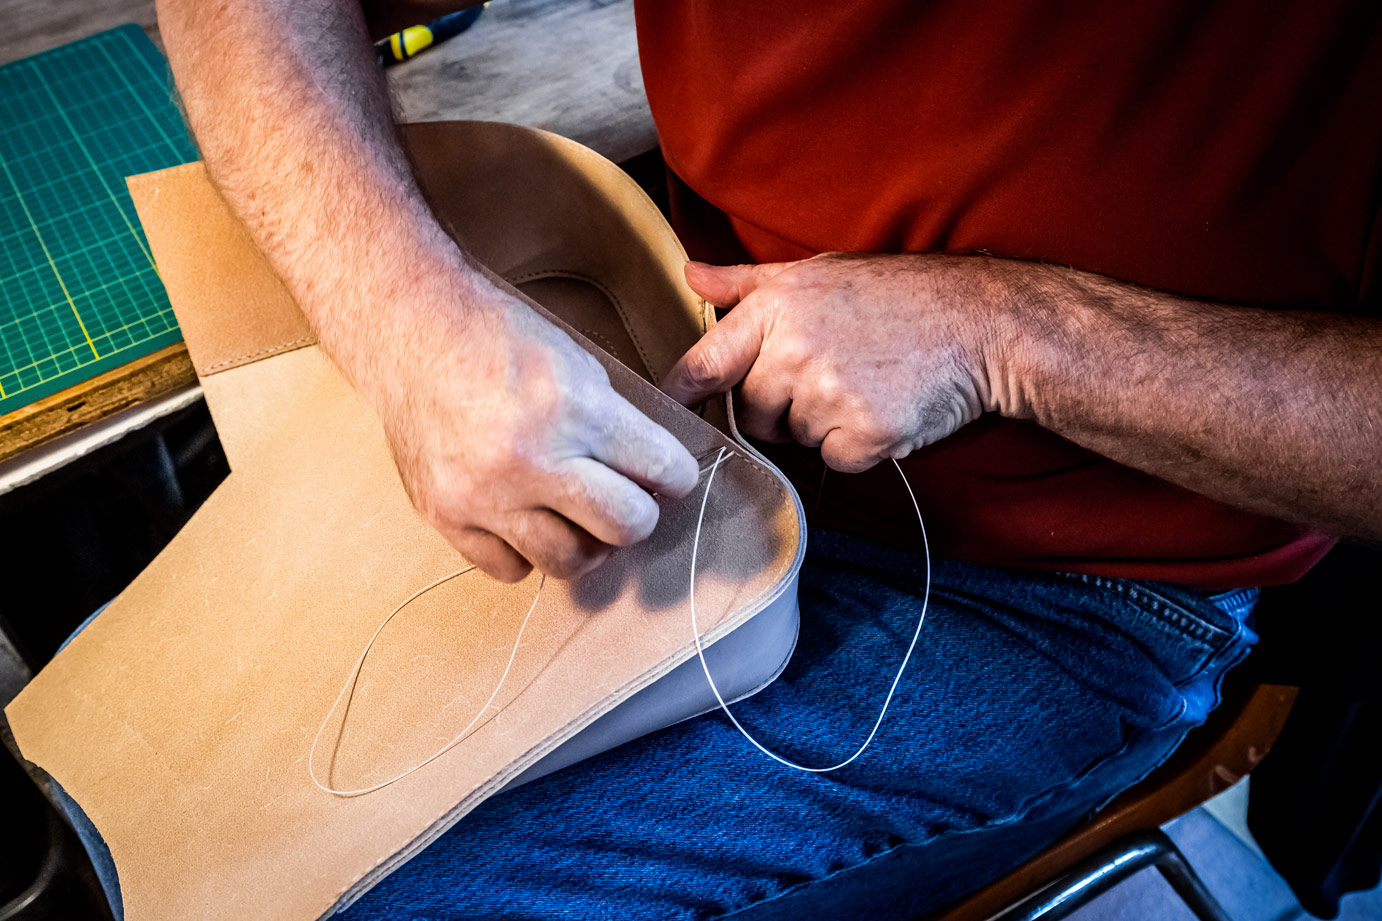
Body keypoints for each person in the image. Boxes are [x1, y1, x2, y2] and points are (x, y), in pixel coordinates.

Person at [128, 0, 1379, 917]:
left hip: (1055, 593)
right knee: (141, 813)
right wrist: (409, 326)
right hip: (669, 396)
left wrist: (1006, 335)